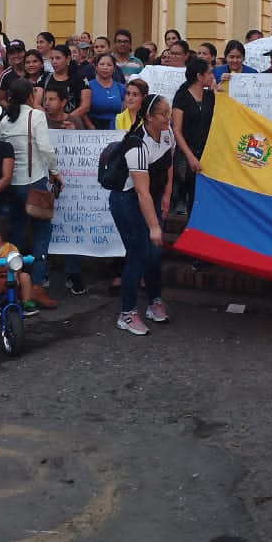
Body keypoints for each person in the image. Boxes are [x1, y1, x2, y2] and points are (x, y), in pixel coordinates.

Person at [108, 93, 174, 335]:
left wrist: (166, 197)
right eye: (163, 114)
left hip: (151, 198)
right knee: (138, 252)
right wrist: (154, 226)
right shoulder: (137, 145)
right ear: (149, 117)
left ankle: (155, 301)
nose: (169, 117)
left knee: (155, 252)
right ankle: (126, 314)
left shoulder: (167, 133)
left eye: (169, 111)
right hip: (127, 200)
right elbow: (141, 192)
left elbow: (169, 165)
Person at [0, 79, 61, 307]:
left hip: (11, 183)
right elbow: (45, 148)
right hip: (34, 181)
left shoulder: (4, 120)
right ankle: (35, 287)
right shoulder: (36, 116)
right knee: (43, 233)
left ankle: (11, 283)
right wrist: (56, 172)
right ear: (30, 97)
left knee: (17, 234)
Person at [172, 56, 216, 215]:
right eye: (209, 73)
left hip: (207, 153)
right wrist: (190, 156)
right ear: (199, 76)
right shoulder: (182, 97)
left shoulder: (211, 97)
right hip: (186, 154)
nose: (212, 76)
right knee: (189, 192)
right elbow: (177, 130)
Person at [39, 45, 90, 129]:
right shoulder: (44, 78)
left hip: (72, 124)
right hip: (47, 124)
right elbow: (37, 103)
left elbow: (85, 106)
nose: (54, 62)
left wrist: (66, 119)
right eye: (52, 58)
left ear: (68, 59)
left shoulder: (80, 79)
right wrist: (50, 120)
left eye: (58, 58)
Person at [87, 53, 126, 130]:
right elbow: (83, 110)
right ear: (96, 67)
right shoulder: (88, 86)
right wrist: (91, 127)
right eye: (102, 64)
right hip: (93, 128)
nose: (105, 67)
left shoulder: (121, 88)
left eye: (109, 65)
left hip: (116, 128)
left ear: (114, 68)